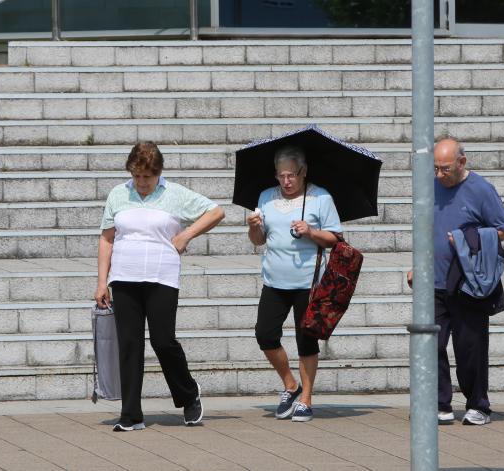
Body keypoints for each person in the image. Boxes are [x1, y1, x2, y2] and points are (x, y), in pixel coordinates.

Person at [94, 141, 225, 431]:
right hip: (124, 277)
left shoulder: (175, 194)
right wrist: (102, 281)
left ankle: (188, 394)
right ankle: (131, 414)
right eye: (137, 176)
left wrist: (186, 234)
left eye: (147, 177)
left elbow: (216, 212)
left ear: (159, 173)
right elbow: (107, 238)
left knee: (162, 341)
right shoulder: (118, 194)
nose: (141, 183)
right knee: (128, 344)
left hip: (161, 277)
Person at [407, 137, 504, 426]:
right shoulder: (431, 187)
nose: (439, 175)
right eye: (435, 169)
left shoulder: (481, 190)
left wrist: (470, 237)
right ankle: (439, 403)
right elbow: (425, 229)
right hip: (434, 281)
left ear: (461, 163)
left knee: (470, 347)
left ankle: (478, 404)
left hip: (468, 282)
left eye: (445, 169)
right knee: (431, 344)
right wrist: (417, 264)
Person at [246, 145, 342, 422]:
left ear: (303, 172)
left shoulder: (320, 198)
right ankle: (290, 384)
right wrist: (253, 226)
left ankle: (307, 399)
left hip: (308, 282)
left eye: (291, 175)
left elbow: (336, 238)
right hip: (274, 279)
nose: (286, 181)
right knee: (265, 334)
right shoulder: (265, 197)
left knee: (306, 340)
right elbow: (259, 240)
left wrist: (311, 231)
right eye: (281, 176)